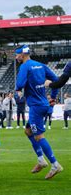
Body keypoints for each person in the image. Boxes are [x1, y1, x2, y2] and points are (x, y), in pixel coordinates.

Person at [15, 45, 63, 179]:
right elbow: (57, 81)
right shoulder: (41, 65)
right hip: (42, 104)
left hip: (36, 107)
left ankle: (55, 164)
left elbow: (19, 85)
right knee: (28, 131)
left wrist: (18, 92)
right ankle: (41, 160)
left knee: (39, 137)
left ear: (22, 55)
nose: (16, 57)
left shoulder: (24, 67)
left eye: (17, 55)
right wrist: (52, 98)